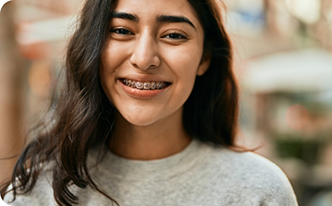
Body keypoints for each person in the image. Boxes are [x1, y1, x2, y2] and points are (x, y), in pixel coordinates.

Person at [1, 0, 298, 205]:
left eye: (173, 35)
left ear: (205, 58)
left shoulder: (259, 190)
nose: (144, 59)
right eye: (121, 31)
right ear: (93, 47)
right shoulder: (38, 192)